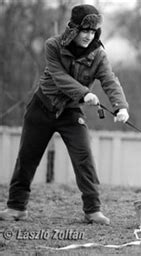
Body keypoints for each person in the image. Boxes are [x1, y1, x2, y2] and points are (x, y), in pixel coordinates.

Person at [0, 4, 129, 225]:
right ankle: (16, 207)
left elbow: (109, 79)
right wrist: (84, 93)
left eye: (92, 32)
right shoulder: (53, 46)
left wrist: (120, 106)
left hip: (70, 112)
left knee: (84, 158)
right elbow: (58, 75)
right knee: (27, 158)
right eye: (84, 31)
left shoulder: (99, 54)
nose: (89, 36)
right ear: (73, 29)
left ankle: (93, 210)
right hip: (41, 107)